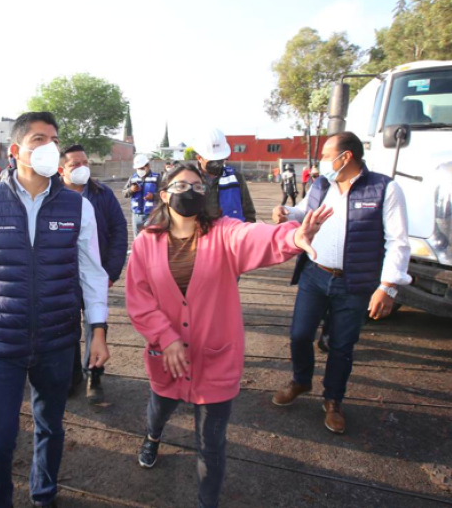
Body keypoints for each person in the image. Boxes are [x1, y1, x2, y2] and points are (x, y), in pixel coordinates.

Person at [126, 163, 330, 508]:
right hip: (169, 358)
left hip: (216, 356)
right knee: (159, 409)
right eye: (179, 186)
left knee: (211, 442)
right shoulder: (147, 241)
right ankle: (152, 436)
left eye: (196, 185)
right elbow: (138, 297)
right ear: (163, 195)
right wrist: (166, 336)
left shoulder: (223, 232)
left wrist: (293, 236)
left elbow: (254, 236)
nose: (188, 191)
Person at [0, 112, 110, 508]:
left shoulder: (77, 207)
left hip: (57, 340)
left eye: (53, 139)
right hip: (2, 341)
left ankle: (44, 495)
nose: (49, 147)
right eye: (38, 139)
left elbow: (92, 273)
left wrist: (99, 331)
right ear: (15, 150)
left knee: (50, 428)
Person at [271, 131, 411, 435]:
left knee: (342, 347)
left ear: (345, 156)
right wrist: (286, 213)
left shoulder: (385, 189)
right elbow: (304, 211)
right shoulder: (322, 184)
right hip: (315, 274)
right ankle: (301, 380)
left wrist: (387, 287)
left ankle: (333, 400)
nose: (322, 160)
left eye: (326, 154)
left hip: (355, 283)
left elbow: (398, 242)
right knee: (299, 334)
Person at [60, 144, 129, 403]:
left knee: (96, 325)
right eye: (74, 165)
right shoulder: (51, 195)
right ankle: (71, 376)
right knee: (65, 327)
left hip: (95, 275)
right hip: (62, 278)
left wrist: (110, 272)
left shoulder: (102, 194)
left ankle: (94, 375)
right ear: (60, 170)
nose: (82, 168)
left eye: (85, 163)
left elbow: (119, 231)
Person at [191, 128, 256, 223]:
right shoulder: (188, 180)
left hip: (232, 234)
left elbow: (249, 212)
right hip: (201, 235)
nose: (217, 163)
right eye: (213, 159)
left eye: (220, 159)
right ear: (199, 158)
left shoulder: (237, 178)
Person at [124, 154, 161, 237]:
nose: (140, 170)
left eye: (142, 168)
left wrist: (153, 196)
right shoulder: (132, 178)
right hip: (136, 216)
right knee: (137, 241)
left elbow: (164, 194)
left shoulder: (157, 178)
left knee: (151, 239)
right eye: (138, 168)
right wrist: (131, 190)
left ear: (148, 166)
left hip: (151, 216)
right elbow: (124, 193)